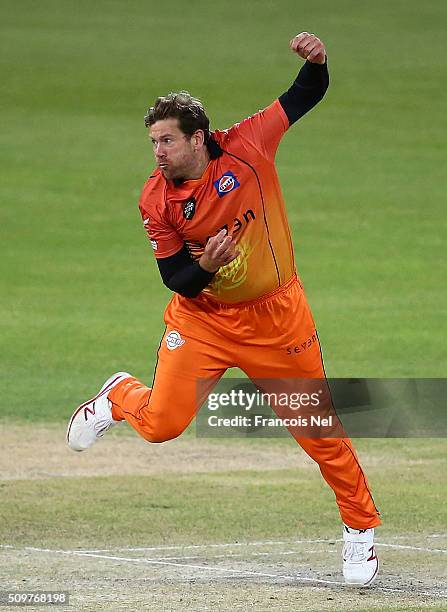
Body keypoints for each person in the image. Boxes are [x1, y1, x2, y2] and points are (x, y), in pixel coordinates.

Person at [67, 32, 381, 586]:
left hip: (276, 317)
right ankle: (119, 395)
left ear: (199, 137)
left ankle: (360, 531)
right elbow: (176, 280)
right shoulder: (156, 199)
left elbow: (306, 94)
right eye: (152, 143)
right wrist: (208, 266)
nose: (158, 153)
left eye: (166, 141)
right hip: (204, 321)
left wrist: (319, 61)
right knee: (162, 425)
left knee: (317, 431)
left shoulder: (249, 145)